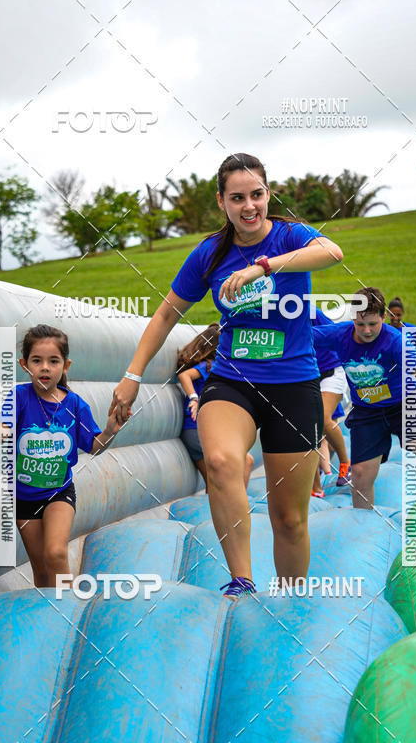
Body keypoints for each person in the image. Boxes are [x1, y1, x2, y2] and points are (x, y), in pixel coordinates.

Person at [111, 152, 343, 598]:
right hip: (232, 380)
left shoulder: (293, 236)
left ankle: (291, 602)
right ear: (222, 201)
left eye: (256, 195)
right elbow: (164, 315)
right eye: (237, 198)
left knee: (289, 518)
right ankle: (242, 580)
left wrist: (264, 265)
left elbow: (332, 252)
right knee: (219, 462)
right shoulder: (210, 253)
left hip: (294, 384)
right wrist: (132, 375)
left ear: (268, 194)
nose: (249, 206)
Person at [0, 324, 126, 588]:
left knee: (56, 552)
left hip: (59, 492)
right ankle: (49, 616)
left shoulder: (74, 405)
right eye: (36, 361)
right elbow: (5, 431)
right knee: (40, 570)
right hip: (23, 497)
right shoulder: (19, 397)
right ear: (24, 364)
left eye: (53, 361)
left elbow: (94, 445)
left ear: (66, 365)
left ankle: (69, 607)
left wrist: (109, 430)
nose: (45, 368)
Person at [313, 288, 416, 509]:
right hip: (367, 411)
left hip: (404, 402)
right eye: (360, 324)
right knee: (360, 475)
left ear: (383, 318)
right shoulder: (340, 334)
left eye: (373, 324)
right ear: (353, 318)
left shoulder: (395, 341)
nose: (366, 331)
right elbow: (303, 337)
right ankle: (363, 524)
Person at [178, 323, 254, 490]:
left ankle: (227, 510)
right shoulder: (210, 365)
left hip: (194, 432)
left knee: (214, 484)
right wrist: (194, 398)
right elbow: (184, 375)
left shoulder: (213, 366)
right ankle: (238, 506)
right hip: (198, 431)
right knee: (246, 461)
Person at [311, 305, 351, 497]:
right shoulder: (275, 318)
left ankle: (346, 463)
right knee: (307, 430)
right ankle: (316, 487)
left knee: (324, 419)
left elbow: (338, 333)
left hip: (331, 371)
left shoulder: (311, 312)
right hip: (306, 376)